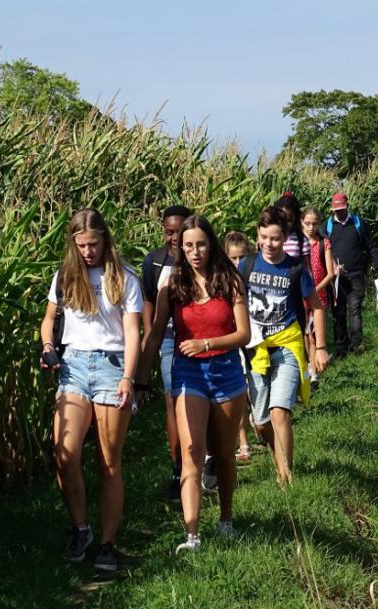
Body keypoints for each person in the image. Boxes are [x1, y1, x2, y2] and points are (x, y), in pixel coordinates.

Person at [136, 215, 251, 554]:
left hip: (226, 371)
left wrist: (208, 344)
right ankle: (192, 536)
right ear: (179, 248)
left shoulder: (229, 281)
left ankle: (226, 519)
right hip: (188, 373)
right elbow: (155, 334)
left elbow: (243, 334)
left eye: (200, 244)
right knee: (192, 452)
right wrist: (140, 381)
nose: (195, 252)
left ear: (210, 244)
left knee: (225, 455)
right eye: (188, 246)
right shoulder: (172, 285)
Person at [39, 208, 143, 572]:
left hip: (113, 366)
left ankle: (108, 543)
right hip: (75, 366)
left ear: (105, 240)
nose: (87, 251)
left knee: (108, 461)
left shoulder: (125, 277)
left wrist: (129, 378)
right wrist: (48, 347)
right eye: (81, 245)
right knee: (65, 454)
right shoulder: (65, 276)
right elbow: (49, 320)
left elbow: (133, 332)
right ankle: (80, 527)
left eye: (93, 244)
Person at [241, 206, 330, 485]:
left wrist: (320, 347)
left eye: (276, 238)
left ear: (286, 238)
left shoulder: (295, 269)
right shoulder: (247, 265)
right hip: (256, 349)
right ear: (257, 235)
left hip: (287, 347)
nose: (269, 244)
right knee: (261, 422)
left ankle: (285, 478)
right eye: (264, 237)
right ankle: (277, 455)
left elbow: (316, 306)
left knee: (279, 411)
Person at [141, 205, 192, 502]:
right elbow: (148, 299)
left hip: (198, 338)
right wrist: (151, 333)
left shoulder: (202, 256)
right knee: (173, 400)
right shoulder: (154, 263)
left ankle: (203, 457)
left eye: (179, 231)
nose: (173, 238)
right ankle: (178, 468)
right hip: (169, 339)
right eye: (168, 232)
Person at [322, 192, 378, 356]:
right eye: (336, 210)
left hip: (356, 274)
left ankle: (356, 344)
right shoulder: (327, 226)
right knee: (339, 312)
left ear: (347, 206)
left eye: (342, 209)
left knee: (355, 308)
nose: (339, 213)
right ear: (332, 209)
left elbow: (370, 247)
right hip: (336, 277)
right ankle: (340, 348)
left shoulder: (358, 223)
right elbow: (320, 250)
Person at [223, 231, 257, 462]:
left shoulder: (254, 278)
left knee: (252, 388)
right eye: (233, 258)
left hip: (255, 339)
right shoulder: (222, 282)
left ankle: (259, 419)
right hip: (231, 340)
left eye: (242, 257)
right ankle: (243, 442)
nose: (238, 263)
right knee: (238, 392)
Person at [301, 207, 336, 388]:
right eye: (307, 223)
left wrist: (313, 289)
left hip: (318, 297)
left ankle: (314, 374)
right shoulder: (298, 244)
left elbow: (330, 273)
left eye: (315, 223)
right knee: (306, 334)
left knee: (314, 334)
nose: (311, 227)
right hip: (301, 296)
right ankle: (310, 366)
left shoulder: (324, 243)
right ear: (301, 222)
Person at [274, 192, 310, 262]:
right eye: (282, 219)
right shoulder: (269, 237)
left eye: (289, 220)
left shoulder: (301, 240)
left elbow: (307, 268)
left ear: (295, 218)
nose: (285, 223)